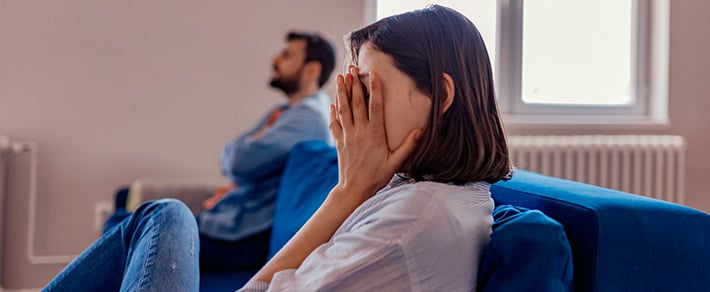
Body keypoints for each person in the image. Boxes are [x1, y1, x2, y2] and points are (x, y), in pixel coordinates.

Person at [43, 5, 511, 291]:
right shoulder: (428, 192)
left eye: (366, 88)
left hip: (240, 238)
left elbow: (238, 160)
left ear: (442, 96)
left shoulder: (408, 224)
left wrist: (346, 193)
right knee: (159, 216)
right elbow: (234, 156)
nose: (350, 109)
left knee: (162, 215)